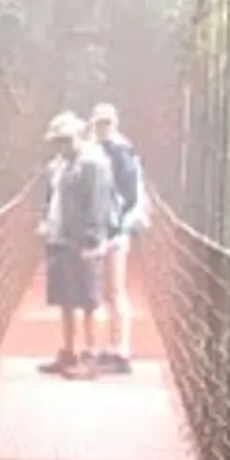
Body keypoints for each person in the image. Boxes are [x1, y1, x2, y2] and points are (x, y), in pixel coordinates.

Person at [37, 112, 113, 374]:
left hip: (82, 241)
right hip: (60, 238)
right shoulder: (59, 165)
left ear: (79, 137)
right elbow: (52, 198)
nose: (62, 146)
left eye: (66, 140)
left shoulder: (93, 164)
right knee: (65, 298)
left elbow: (97, 204)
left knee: (88, 300)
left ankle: (90, 356)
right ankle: (68, 352)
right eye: (58, 141)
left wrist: (92, 241)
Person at [89, 102, 146, 371]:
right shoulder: (96, 150)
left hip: (115, 232)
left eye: (107, 123)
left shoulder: (121, 152)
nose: (102, 127)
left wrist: (118, 228)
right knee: (103, 290)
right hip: (100, 231)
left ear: (115, 124)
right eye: (99, 123)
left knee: (114, 289)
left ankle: (121, 350)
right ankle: (111, 348)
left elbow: (130, 195)